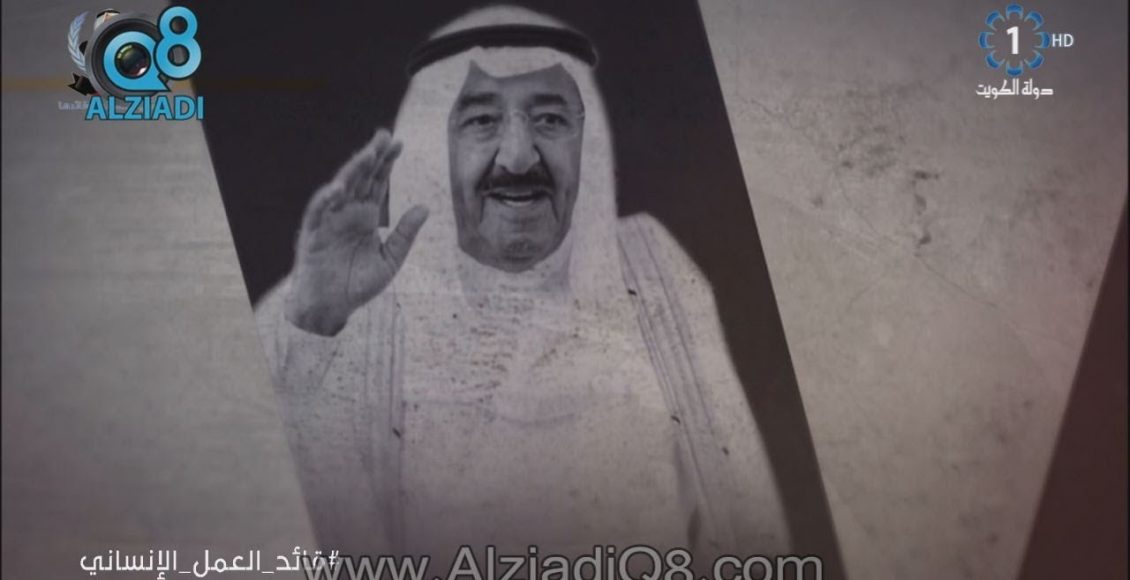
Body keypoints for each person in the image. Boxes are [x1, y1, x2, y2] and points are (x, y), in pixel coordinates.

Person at [255, 4, 787, 563]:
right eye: (482, 121)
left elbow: (750, 532)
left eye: (550, 119)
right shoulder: (334, 299)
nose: (517, 157)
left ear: (585, 141)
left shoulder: (653, 273)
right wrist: (313, 328)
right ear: (437, 144)